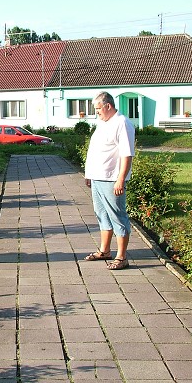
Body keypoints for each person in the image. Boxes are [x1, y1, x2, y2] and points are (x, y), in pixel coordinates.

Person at [83, 91, 135, 270]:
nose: (96, 112)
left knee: (117, 216)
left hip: (111, 179)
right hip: (97, 177)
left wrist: (120, 180)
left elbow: (126, 154)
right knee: (101, 214)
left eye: (98, 109)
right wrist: (89, 174)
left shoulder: (122, 123)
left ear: (108, 106)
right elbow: (97, 150)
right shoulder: (102, 122)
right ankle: (104, 251)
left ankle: (122, 257)